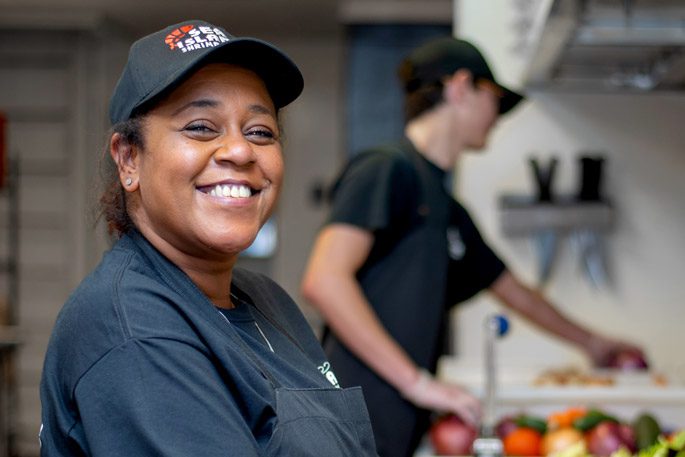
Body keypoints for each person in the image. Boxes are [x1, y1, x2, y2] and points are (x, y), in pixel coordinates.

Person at [39, 20, 377, 456]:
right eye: (201, 126)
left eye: (260, 132)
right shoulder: (136, 331)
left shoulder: (266, 301)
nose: (239, 151)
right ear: (128, 159)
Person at [300, 36, 647, 457]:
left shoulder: (447, 208)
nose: (497, 116)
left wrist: (594, 344)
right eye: (494, 99)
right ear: (460, 87)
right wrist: (419, 383)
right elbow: (324, 280)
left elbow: (515, 293)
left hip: (397, 426)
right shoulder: (387, 170)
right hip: (352, 424)